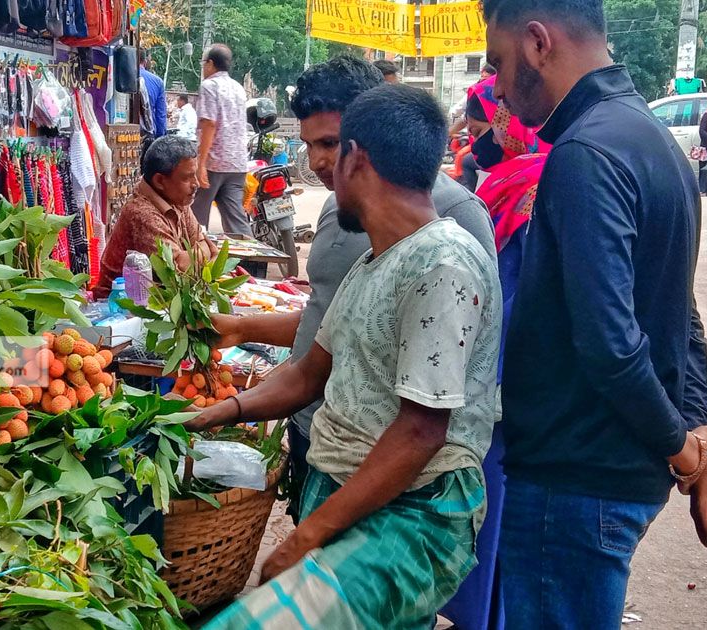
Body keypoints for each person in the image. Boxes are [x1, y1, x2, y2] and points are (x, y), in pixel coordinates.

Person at [195, 83, 501, 630]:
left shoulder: (442, 264)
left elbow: (420, 431)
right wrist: (218, 413)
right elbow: (311, 373)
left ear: (355, 158)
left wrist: (309, 536)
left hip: (414, 514)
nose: (319, 168)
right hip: (346, 491)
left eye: (332, 152)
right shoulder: (374, 263)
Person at [483, 1, 707, 627]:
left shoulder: (585, 153)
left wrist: (686, 451)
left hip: (575, 479)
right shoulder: (650, 138)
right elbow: (681, 309)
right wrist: (696, 429)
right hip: (608, 474)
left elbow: (610, 341)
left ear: (537, 42)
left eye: (498, 61)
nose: (496, 89)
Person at [439, 73, 550, 630]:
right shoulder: (502, 181)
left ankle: (490, 615)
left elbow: (522, 292)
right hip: (483, 366)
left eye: (487, 116)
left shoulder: (534, 190)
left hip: (507, 376)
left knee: (495, 497)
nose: (476, 129)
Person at [93, 136, 214, 298]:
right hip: (118, 310)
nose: (196, 184)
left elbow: (200, 247)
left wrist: (198, 254)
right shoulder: (142, 214)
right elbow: (181, 270)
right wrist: (205, 253)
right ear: (159, 181)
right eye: (187, 177)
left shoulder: (177, 199)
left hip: (158, 302)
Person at [191, 44, 251, 235]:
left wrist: (200, 164)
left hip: (214, 164)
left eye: (203, 63)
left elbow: (209, 124)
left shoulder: (209, 86)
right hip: (238, 164)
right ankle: (253, 262)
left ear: (210, 63)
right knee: (236, 219)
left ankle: (197, 262)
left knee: (196, 218)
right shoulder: (238, 88)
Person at [139, 50, 168, 138]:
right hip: (147, 135)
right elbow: (161, 114)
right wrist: (160, 137)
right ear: (145, 61)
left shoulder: (117, 76)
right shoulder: (157, 82)